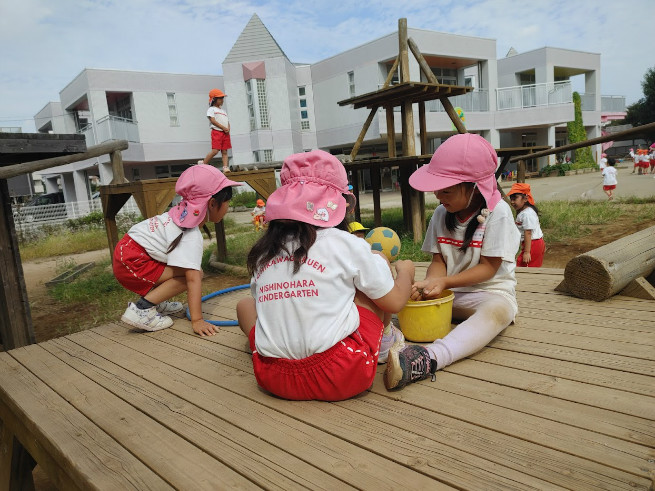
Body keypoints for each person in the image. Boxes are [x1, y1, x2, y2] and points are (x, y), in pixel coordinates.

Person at [236, 150, 415, 401]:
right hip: (340, 374)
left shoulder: (265, 251)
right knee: (376, 271)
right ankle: (384, 342)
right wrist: (405, 272)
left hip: (274, 376)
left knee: (245, 305)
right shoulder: (343, 243)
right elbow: (395, 302)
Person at [383, 134, 520, 391]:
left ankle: (431, 358)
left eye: (446, 190)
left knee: (499, 312)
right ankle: (384, 338)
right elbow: (439, 260)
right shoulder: (440, 213)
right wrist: (432, 283)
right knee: (398, 293)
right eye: (437, 188)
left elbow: (489, 269)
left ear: (474, 187)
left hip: (488, 293)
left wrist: (443, 281)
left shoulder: (498, 213)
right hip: (449, 294)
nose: (437, 195)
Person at [113, 164, 242, 335]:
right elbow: (193, 279)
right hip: (132, 261)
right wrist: (197, 320)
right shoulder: (190, 233)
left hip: (127, 254)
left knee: (183, 268)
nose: (227, 207)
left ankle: (157, 302)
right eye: (227, 202)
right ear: (212, 203)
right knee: (194, 273)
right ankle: (142, 309)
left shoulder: (179, 215)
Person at [508, 183, 544, 267]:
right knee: (524, 266)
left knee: (525, 268)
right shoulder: (523, 212)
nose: (512, 202)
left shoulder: (527, 214)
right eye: (511, 199)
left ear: (525, 199)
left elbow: (528, 233)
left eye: (515, 199)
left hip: (533, 244)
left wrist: (527, 252)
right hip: (531, 244)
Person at [199, 89, 231, 172]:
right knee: (215, 150)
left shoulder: (223, 111)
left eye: (222, 98)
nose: (222, 100)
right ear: (214, 99)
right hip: (217, 132)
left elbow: (227, 121)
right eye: (220, 98)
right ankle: (203, 163)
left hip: (225, 133)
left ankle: (225, 167)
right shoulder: (211, 109)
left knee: (225, 151)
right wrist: (223, 128)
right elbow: (212, 120)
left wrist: (228, 128)